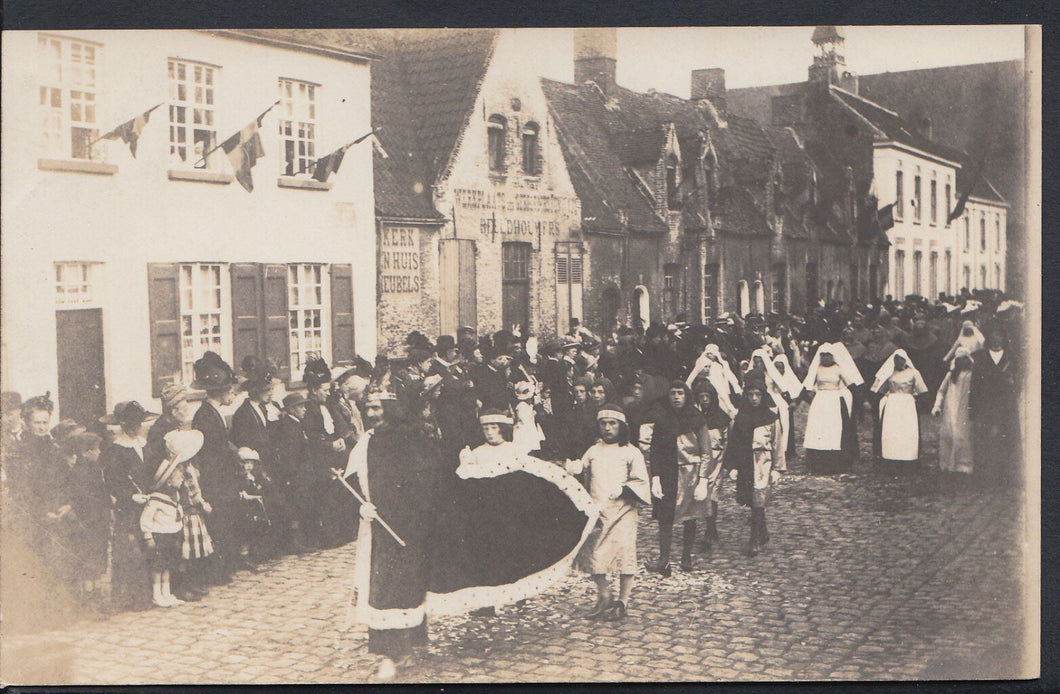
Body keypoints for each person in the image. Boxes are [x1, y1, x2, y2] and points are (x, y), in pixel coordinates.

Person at [426, 410, 596, 620]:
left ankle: (520, 593)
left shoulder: (515, 450)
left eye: (494, 428)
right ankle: (484, 603)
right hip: (485, 515)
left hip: (511, 512)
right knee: (486, 556)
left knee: (515, 552)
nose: (489, 432)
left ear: (503, 429)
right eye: (486, 428)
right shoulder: (477, 453)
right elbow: (467, 485)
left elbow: (531, 477)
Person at [344, 389, 440, 681]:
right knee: (383, 588)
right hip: (379, 529)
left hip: (409, 526)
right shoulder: (367, 442)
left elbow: (425, 481)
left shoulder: (410, 439)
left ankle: (407, 646)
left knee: (406, 585)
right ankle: (390, 652)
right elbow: (351, 479)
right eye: (368, 408)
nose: (371, 414)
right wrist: (361, 505)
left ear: (391, 409)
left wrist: (415, 516)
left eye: (377, 408)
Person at [565, 404, 650, 622]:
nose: (608, 428)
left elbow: (641, 481)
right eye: (603, 424)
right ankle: (604, 595)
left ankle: (623, 601)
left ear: (622, 426)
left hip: (623, 511)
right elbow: (582, 468)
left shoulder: (631, 452)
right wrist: (574, 468)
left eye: (613, 424)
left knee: (624, 554)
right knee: (594, 552)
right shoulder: (594, 450)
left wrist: (624, 489)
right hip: (598, 510)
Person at [645, 381, 711, 575]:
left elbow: (706, 451)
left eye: (680, 393)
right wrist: (655, 477)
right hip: (667, 474)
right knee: (665, 517)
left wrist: (703, 480)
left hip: (689, 474)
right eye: (673, 393)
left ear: (686, 396)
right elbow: (655, 451)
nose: (676, 397)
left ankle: (686, 556)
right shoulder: (662, 419)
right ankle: (664, 560)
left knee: (689, 516)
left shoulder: (697, 420)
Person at [190, 351, 246, 581]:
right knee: (219, 524)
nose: (232, 395)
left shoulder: (215, 413)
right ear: (221, 392)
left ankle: (226, 565)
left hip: (223, 476)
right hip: (215, 479)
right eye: (231, 391)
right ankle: (218, 570)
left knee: (226, 521)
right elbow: (211, 454)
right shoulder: (205, 416)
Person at [100, 400, 160, 612]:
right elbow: (113, 480)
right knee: (128, 550)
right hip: (129, 507)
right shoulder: (116, 449)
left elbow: (151, 471)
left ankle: (144, 596)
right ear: (123, 425)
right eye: (132, 424)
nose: (137, 427)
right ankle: (124, 597)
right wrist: (130, 496)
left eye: (139, 423)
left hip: (147, 502)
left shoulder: (144, 445)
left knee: (146, 548)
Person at [141, 429, 203, 607]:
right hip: (161, 535)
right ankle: (157, 594)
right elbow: (146, 520)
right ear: (168, 482)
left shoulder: (175, 495)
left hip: (173, 533)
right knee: (159, 566)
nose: (181, 479)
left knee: (169, 563)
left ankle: (167, 593)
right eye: (178, 478)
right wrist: (148, 537)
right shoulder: (158, 500)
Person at [724, 373, 782, 557]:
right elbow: (733, 443)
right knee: (751, 498)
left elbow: (778, 443)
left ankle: (754, 539)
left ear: (763, 396)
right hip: (745, 462)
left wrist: (778, 468)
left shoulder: (771, 418)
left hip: (762, 462)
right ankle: (763, 532)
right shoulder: (741, 417)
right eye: (751, 395)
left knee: (758, 497)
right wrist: (732, 466)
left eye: (758, 394)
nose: (754, 398)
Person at [302, 357, 354, 548]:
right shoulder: (308, 410)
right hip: (321, 460)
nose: (327, 393)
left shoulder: (330, 406)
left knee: (340, 495)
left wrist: (340, 438)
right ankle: (328, 536)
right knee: (326, 499)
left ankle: (342, 532)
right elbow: (311, 438)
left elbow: (339, 426)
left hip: (337, 454)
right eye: (323, 390)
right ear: (314, 391)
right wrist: (330, 446)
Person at [969, 322, 1022, 487]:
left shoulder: (1012, 358)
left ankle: (1005, 475)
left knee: (1006, 438)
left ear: (1004, 337)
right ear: (988, 337)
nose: (996, 338)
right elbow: (974, 384)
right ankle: (985, 477)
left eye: (999, 334)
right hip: (986, 404)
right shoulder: (979, 356)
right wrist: (974, 407)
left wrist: (1012, 384)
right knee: (985, 439)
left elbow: (1018, 382)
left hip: (1006, 405)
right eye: (993, 334)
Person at [801, 343, 863, 475]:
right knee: (819, 431)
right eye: (823, 355)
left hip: (834, 401)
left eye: (828, 355)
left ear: (833, 356)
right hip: (820, 402)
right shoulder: (816, 369)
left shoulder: (839, 369)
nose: (825, 358)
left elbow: (851, 385)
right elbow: (807, 386)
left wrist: (861, 400)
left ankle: (835, 463)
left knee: (833, 432)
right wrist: (805, 398)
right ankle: (819, 464)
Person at [871, 349, 928, 475]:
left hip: (907, 405)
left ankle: (908, 461)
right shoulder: (890, 373)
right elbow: (881, 389)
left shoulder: (914, 373)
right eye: (896, 359)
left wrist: (918, 403)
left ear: (906, 360)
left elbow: (922, 391)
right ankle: (891, 460)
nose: (898, 361)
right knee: (892, 432)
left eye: (901, 359)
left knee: (907, 432)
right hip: (892, 404)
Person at [691, 380, 731, 555]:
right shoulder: (696, 417)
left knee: (713, 493)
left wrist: (727, 463)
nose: (705, 400)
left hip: (717, 458)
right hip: (702, 458)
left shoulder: (722, 418)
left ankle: (710, 528)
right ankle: (706, 527)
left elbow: (728, 441)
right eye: (702, 397)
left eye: (707, 397)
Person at [273, 392, 313, 553]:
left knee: (302, 505)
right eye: (301, 406)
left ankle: (301, 540)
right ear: (291, 409)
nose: (304, 409)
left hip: (302, 474)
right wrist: (291, 476)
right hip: (296, 475)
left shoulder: (296, 424)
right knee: (295, 507)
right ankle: (294, 542)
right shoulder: (288, 427)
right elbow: (290, 455)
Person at [932, 348, 976, 490]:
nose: (962, 362)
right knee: (949, 435)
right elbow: (941, 391)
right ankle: (947, 465)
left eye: (965, 359)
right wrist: (937, 406)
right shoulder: (951, 376)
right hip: (951, 407)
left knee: (962, 436)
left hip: (965, 408)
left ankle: (964, 466)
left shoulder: (972, 375)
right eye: (959, 359)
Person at [686, 344, 742, 418]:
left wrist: (736, 387)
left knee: (725, 403)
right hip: (710, 386)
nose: (710, 355)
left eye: (712, 353)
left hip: (722, 387)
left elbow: (730, 376)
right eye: (708, 353)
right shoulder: (703, 362)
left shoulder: (722, 364)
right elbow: (694, 373)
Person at [511, 381, 544, 456]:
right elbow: (524, 419)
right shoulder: (521, 406)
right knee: (524, 448)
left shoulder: (528, 405)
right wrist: (532, 414)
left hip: (529, 429)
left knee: (530, 448)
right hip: (523, 430)